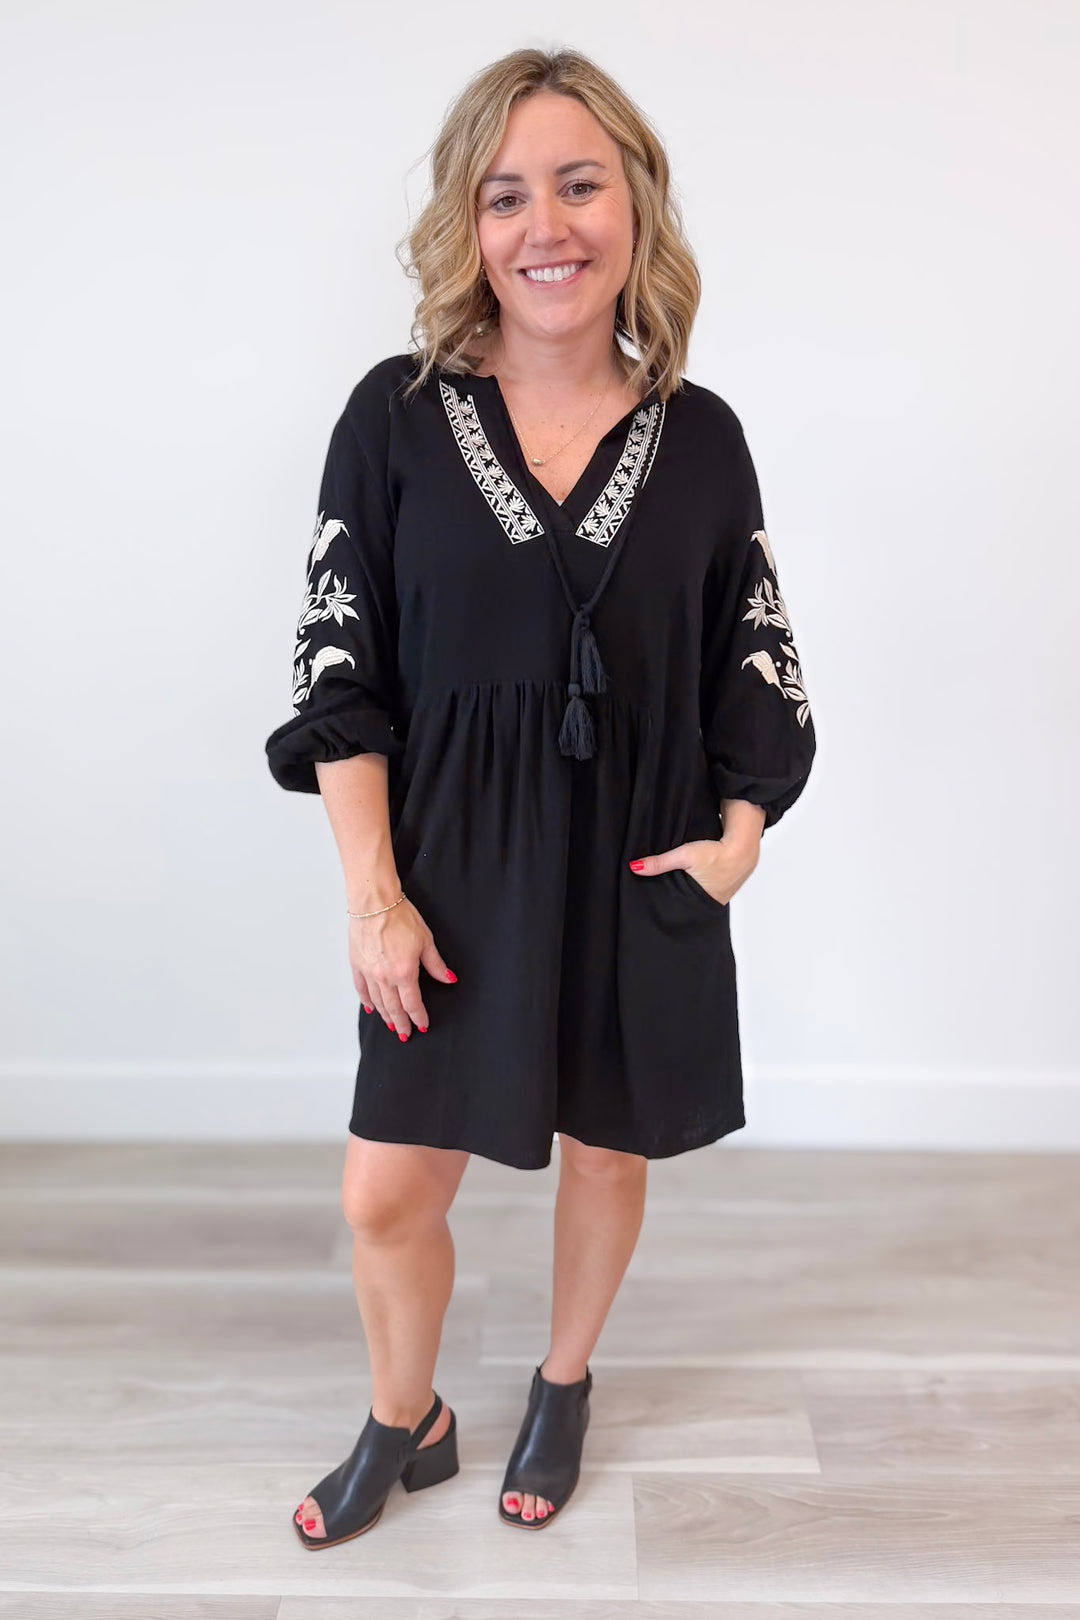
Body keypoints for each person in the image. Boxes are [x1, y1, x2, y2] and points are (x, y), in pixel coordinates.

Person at [266, 46, 817, 1549]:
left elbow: (753, 648)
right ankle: (406, 1416)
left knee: (608, 1148)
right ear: (470, 223)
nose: (546, 226)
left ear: (634, 206)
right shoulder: (392, 418)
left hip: (638, 860)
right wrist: (374, 897)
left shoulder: (703, 438)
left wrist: (739, 840)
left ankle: (563, 1382)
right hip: (447, 876)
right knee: (387, 1191)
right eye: (506, 195)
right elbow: (338, 666)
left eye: (579, 185)